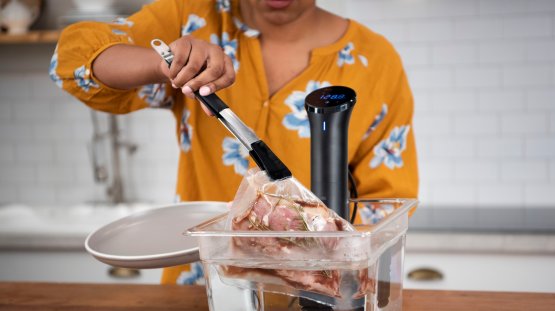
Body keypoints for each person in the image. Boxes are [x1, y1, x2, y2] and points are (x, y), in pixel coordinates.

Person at [51, 0, 418, 284]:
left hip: (317, 302)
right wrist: (166, 63)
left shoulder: (376, 61)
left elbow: (385, 209)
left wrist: (325, 267)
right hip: (198, 296)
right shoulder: (194, 16)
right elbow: (71, 61)